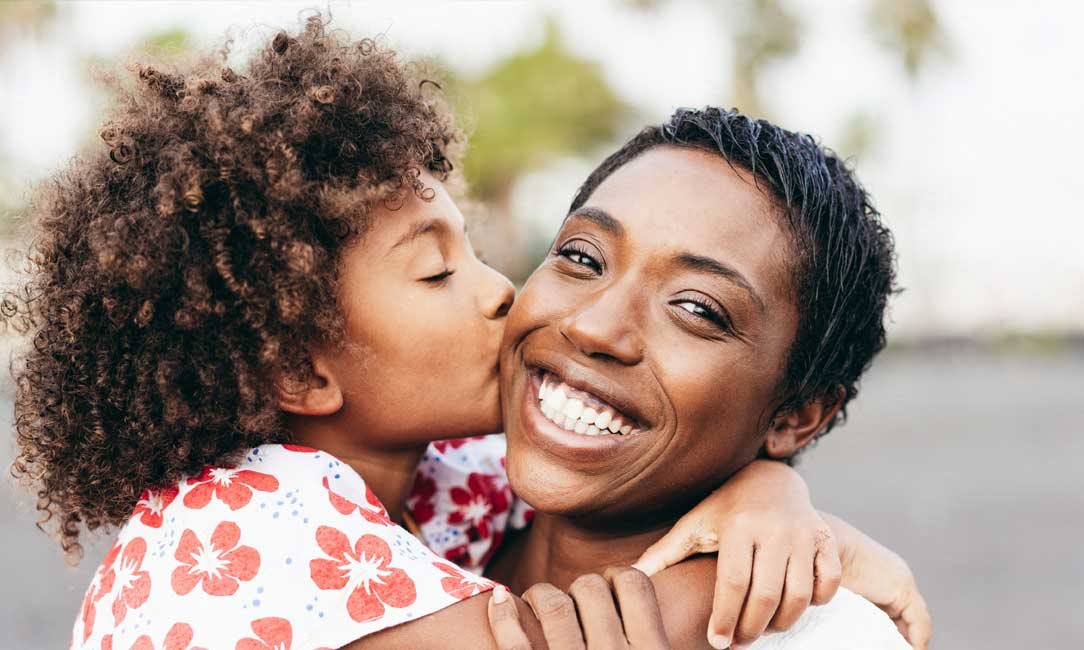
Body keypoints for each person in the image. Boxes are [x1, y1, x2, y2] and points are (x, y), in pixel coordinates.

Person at [1, 17, 924, 650]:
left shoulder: (443, 486)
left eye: (697, 307)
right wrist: (791, 573)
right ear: (298, 368)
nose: (507, 298)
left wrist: (776, 498)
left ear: (801, 411)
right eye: (438, 272)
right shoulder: (244, 510)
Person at [484, 107, 926, 648]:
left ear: (797, 416)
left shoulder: (831, 639)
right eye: (583, 257)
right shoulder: (415, 512)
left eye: (697, 309)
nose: (594, 327)